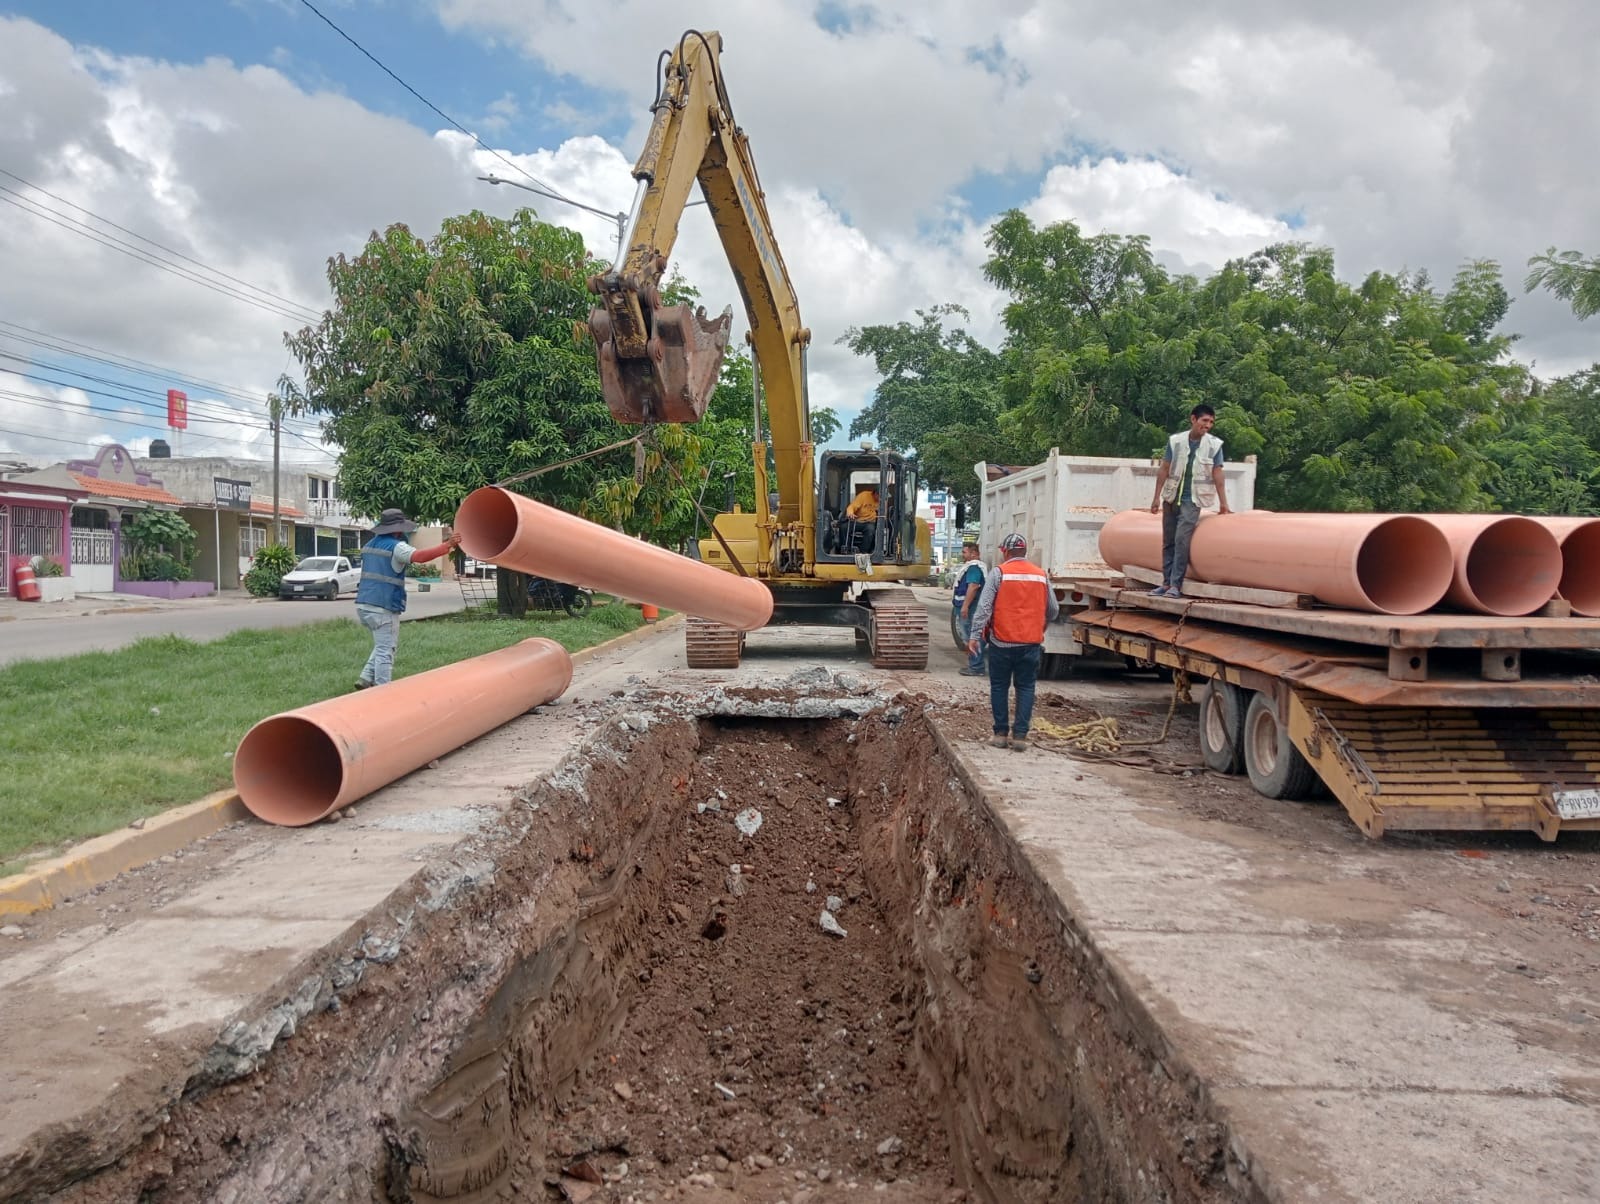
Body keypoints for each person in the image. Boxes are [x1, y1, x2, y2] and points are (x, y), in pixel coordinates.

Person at [967, 532, 1058, 750]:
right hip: (1030, 644)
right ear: (1024, 552)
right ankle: (1020, 737)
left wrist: (974, 636)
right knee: (1026, 687)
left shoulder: (999, 573)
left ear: (1005, 552)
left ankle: (1000, 734)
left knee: (999, 686)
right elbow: (1054, 610)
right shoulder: (1040, 575)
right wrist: (1041, 624)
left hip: (1002, 642)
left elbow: (984, 608)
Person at [353, 508, 460, 689]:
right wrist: (446, 546)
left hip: (364, 603)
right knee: (386, 650)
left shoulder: (370, 544)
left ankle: (365, 678)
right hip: (383, 605)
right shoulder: (397, 547)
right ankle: (382, 691)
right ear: (398, 528)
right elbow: (419, 557)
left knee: (382, 643)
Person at [1147, 403, 1231, 596]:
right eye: (1204, 420)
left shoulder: (1214, 445)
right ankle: (1166, 583)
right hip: (1171, 496)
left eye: (1211, 422)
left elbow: (1217, 473)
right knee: (1168, 541)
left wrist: (1224, 503)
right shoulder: (1176, 441)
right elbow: (1165, 468)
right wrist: (1156, 498)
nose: (1208, 425)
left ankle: (1176, 585)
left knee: (1181, 540)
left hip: (1192, 499)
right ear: (1193, 419)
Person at [952, 539, 987, 676]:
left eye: (964, 552)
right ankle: (976, 665)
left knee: (973, 636)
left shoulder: (974, 567)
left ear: (973, 553)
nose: (962, 555)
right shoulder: (974, 567)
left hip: (971, 608)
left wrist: (965, 606)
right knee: (974, 636)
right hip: (971, 607)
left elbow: (973, 586)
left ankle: (976, 667)